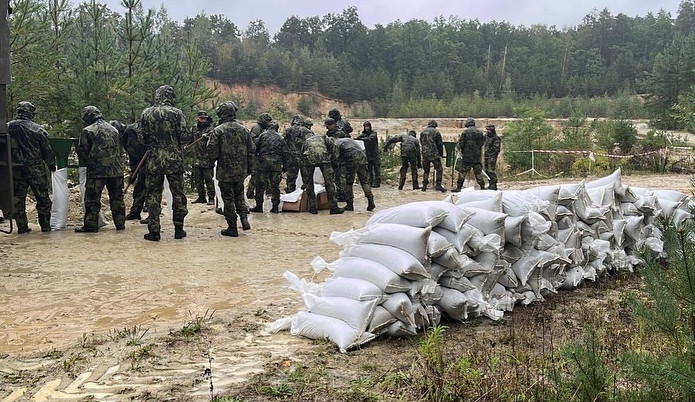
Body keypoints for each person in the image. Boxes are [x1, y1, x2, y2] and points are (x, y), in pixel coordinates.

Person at [139, 85, 191, 241]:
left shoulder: (146, 113)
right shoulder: (177, 114)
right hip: (174, 160)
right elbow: (184, 137)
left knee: (153, 195)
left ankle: (154, 230)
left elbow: (142, 138)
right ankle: (179, 229)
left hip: (154, 160)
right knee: (178, 194)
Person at [7, 101, 56, 233]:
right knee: (43, 199)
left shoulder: (8, 127)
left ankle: (22, 227)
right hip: (36, 169)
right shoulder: (38, 129)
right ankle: (45, 226)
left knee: (18, 198)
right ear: (31, 114)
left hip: (16, 169)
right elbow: (47, 151)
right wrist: (51, 165)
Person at [75, 106, 126, 232]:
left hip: (97, 172)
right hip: (116, 171)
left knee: (92, 199)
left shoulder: (88, 130)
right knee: (117, 198)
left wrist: (90, 164)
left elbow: (82, 151)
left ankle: (91, 226)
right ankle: (120, 224)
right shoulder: (114, 129)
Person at [207, 101, 254, 236]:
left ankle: (232, 227)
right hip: (241, 170)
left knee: (228, 199)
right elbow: (251, 150)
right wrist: (249, 168)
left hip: (225, 171)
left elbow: (212, 151)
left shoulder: (218, 130)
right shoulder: (244, 129)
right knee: (239, 195)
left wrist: (211, 165)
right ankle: (244, 219)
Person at [300, 119, 345, 215]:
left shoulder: (306, 140)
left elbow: (302, 154)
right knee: (329, 183)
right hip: (324, 158)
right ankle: (334, 208)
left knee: (309, 184)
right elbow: (334, 149)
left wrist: (305, 180)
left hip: (309, 159)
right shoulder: (323, 137)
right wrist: (334, 163)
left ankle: (313, 208)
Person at [251, 121, 287, 213]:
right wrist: (285, 166)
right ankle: (275, 207)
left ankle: (259, 206)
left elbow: (255, 148)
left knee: (260, 185)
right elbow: (285, 153)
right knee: (275, 186)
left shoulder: (263, 135)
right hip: (276, 164)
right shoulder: (280, 137)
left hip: (263, 163)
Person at [334, 137, 375, 211]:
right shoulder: (348, 140)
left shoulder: (336, 144)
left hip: (352, 159)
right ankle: (370, 200)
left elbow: (335, 158)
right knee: (364, 181)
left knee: (348, 183)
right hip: (362, 157)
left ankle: (350, 204)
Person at [118, 122, 147, 221]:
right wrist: (133, 172)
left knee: (150, 189)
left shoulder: (131, 132)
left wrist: (139, 169)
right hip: (141, 162)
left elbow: (141, 151)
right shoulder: (124, 138)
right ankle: (135, 212)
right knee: (139, 187)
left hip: (149, 161)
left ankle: (152, 214)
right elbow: (132, 155)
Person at [453, 118, 486, 192]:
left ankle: (459, 187)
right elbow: (481, 143)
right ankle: (482, 187)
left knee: (462, 172)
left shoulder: (465, 132)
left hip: (467, 156)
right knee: (478, 173)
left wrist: (460, 150)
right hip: (477, 156)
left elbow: (461, 143)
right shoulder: (479, 132)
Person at [190, 110, 215, 205]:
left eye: (204, 118)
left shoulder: (210, 128)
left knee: (208, 179)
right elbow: (190, 138)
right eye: (201, 118)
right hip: (197, 158)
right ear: (198, 118)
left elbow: (214, 139)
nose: (203, 120)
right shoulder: (194, 128)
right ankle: (201, 197)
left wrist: (207, 137)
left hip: (207, 158)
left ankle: (211, 198)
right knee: (198, 179)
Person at [246, 112, 273, 199]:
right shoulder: (257, 128)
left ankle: (268, 191)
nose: (269, 123)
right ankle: (249, 193)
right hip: (255, 155)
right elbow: (253, 141)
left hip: (262, 155)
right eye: (267, 121)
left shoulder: (264, 129)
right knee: (255, 175)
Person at [283, 115, 311, 193]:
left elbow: (283, 143)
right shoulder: (306, 130)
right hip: (303, 156)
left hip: (291, 157)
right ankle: (305, 194)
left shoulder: (288, 130)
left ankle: (290, 193)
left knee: (291, 177)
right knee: (305, 177)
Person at [325, 117, 348, 201]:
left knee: (341, 177)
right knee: (336, 177)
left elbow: (335, 144)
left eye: (328, 125)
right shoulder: (329, 133)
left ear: (333, 125)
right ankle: (339, 193)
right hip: (334, 157)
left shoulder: (339, 133)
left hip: (341, 157)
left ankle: (344, 195)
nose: (327, 127)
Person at [419, 120, 447, 192]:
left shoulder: (423, 132)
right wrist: (440, 154)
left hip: (425, 154)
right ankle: (438, 185)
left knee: (426, 170)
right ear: (435, 125)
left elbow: (421, 142)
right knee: (439, 169)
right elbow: (439, 144)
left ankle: (424, 186)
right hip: (434, 154)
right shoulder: (436, 132)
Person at [355, 121, 381, 188]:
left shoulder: (374, 133)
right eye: (365, 126)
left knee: (376, 169)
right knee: (369, 170)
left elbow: (370, 139)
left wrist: (362, 139)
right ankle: (371, 182)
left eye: (368, 126)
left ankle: (377, 182)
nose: (367, 128)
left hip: (375, 154)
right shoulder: (363, 134)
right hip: (368, 154)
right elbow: (357, 138)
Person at [484, 123, 501, 190]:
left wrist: (492, 156)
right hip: (486, 156)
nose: (488, 131)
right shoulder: (486, 137)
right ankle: (490, 184)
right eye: (487, 130)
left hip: (492, 156)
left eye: (489, 130)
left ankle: (494, 184)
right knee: (487, 171)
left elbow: (497, 149)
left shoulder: (496, 138)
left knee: (491, 171)